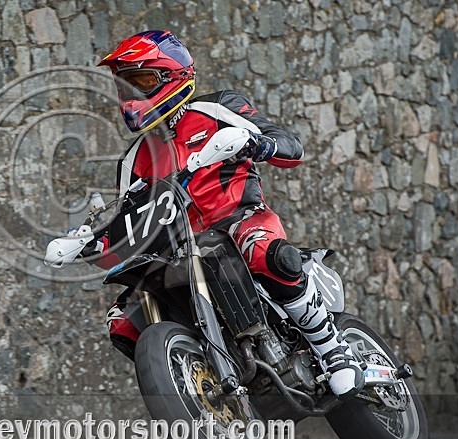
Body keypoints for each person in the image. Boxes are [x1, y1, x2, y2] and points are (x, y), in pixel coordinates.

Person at [89, 30, 364, 399]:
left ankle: (333, 350)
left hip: (240, 219)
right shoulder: (132, 161)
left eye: (142, 82)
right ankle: (198, 376)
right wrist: (91, 241)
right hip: (180, 250)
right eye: (125, 85)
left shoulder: (218, 108)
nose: (132, 95)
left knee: (263, 250)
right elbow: (128, 221)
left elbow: (290, 145)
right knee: (123, 320)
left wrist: (262, 144)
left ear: (174, 76)